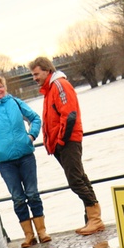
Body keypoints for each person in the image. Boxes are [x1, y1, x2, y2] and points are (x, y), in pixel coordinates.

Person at [0, 74, 49, 248]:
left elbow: (35, 118)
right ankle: (29, 236)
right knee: (18, 198)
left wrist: (31, 135)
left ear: (5, 88)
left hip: (26, 156)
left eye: (0, 87)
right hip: (5, 162)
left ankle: (42, 232)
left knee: (33, 193)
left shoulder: (16, 103)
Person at [30, 56, 105, 236]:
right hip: (62, 142)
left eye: (36, 74)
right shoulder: (50, 89)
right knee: (80, 177)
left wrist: (61, 140)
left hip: (68, 140)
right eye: (33, 75)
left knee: (75, 180)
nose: (34, 78)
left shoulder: (59, 86)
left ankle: (95, 219)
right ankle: (92, 218)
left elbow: (69, 114)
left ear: (47, 71)